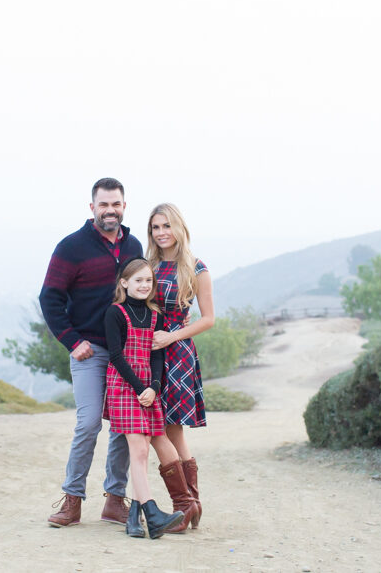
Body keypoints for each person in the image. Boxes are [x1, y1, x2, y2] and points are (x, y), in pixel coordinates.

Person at [40, 178, 142, 527]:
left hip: (126, 352)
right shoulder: (71, 247)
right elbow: (49, 298)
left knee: (123, 426)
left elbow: (142, 292)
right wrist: (72, 340)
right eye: (103, 205)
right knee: (88, 423)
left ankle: (115, 500)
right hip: (90, 350)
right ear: (92, 207)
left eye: (116, 204)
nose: (110, 211)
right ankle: (72, 500)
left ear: (124, 206)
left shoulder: (134, 245)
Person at [103, 258, 186, 539]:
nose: (144, 285)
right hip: (124, 387)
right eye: (138, 280)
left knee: (152, 445)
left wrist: (153, 386)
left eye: (148, 281)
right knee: (138, 451)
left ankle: (135, 519)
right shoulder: (115, 313)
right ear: (124, 283)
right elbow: (115, 356)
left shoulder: (155, 315)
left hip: (149, 389)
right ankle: (152, 513)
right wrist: (140, 389)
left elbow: (157, 355)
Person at [147, 203, 215, 532]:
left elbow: (208, 319)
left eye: (166, 226)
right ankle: (192, 503)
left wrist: (171, 336)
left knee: (168, 427)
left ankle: (186, 504)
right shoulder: (147, 266)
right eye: (156, 227)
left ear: (178, 228)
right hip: (150, 352)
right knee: (170, 429)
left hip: (178, 351)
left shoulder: (196, 267)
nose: (161, 233)